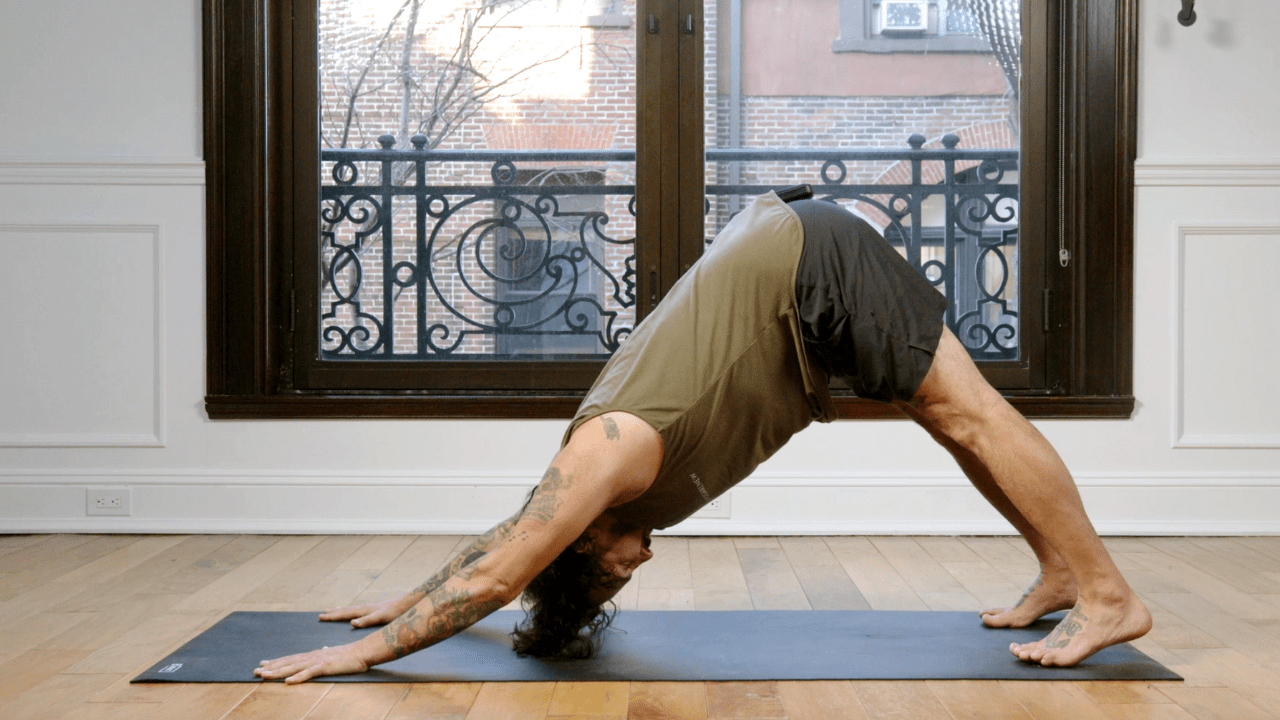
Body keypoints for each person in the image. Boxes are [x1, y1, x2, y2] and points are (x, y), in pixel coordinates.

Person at [255, 191, 1151, 684]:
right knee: (945, 417)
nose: (634, 567)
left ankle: (1107, 593)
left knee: (969, 412)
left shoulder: (607, 454)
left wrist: (364, 652)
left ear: (584, 543)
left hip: (810, 263)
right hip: (790, 275)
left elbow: (500, 572)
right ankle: (1062, 570)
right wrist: (397, 598)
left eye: (610, 569)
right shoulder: (597, 493)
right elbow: (505, 541)